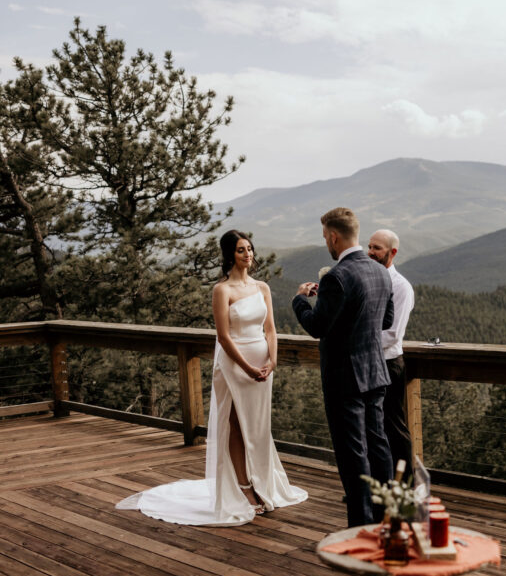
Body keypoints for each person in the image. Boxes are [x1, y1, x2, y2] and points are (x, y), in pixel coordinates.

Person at [116, 230, 307, 525]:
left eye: (250, 249)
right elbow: (223, 336)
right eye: (242, 250)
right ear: (230, 254)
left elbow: (270, 329)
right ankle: (243, 487)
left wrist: (273, 360)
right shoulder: (223, 290)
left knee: (257, 427)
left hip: (263, 365)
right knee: (235, 423)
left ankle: (262, 481)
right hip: (235, 364)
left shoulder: (262, 287)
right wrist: (246, 367)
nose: (249, 254)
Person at [292, 207, 394, 527]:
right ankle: (384, 515)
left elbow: (318, 326)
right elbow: (385, 320)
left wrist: (300, 301)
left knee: (353, 454)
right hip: (375, 372)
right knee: (378, 446)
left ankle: (360, 526)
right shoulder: (380, 271)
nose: (326, 242)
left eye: (325, 237)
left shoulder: (337, 275)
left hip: (344, 378)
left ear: (334, 237)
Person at [368, 228, 415, 479]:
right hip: (369, 364)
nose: (370, 252)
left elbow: (393, 334)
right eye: (370, 246)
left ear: (392, 252)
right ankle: (379, 483)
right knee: (373, 429)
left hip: (388, 364)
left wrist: (357, 342)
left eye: (377, 248)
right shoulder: (369, 281)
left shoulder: (401, 287)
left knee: (393, 427)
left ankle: (405, 485)